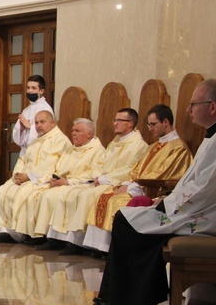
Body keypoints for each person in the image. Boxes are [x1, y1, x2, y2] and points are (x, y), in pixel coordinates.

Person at [95, 79, 216, 305]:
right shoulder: (215, 135)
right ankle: (124, 297)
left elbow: (206, 187)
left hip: (209, 214)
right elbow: (194, 181)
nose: (188, 110)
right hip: (197, 208)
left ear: (213, 107)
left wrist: (167, 202)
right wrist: (166, 199)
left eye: (193, 104)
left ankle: (129, 301)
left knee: (126, 222)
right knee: (127, 218)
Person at [82, 104, 192, 254]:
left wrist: (132, 186)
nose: (149, 128)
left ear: (166, 122)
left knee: (116, 201)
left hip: (156, 192)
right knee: (105, 196)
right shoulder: (154, 146)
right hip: (139, 187)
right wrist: (127, 183)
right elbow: (136, 170)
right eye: (148, 125)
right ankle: (99, 247)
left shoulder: (178, 148)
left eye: (153, 124)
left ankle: (113, 249)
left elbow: (160, 176)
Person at [42, 108, 149, 254]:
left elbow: (131, 169)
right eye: (115, 120)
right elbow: (101, 163)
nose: (115, 123)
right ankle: (65, 239)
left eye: (119, 120)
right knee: (73, 194)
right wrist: (97, 176)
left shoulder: (140, 146)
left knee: (84, 196)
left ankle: (83, 243)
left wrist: (104, 178)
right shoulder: (114, 143)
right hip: (101, 182)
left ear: (130, 123)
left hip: (116, 184)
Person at [11, 118, 105, 244]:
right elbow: (58, 168)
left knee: (55, 196)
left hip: (82, 185)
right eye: (73, 130)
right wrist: (55, 179)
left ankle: (68, 240)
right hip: (64, 184)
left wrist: (68, 182)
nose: (73, 133)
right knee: (42, 194)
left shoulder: (98, 150)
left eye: (77, 131)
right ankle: (42, 235)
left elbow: (93, 174)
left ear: (89, 134)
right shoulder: (71, 149)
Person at [0, 110, 72, 243]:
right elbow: (22, 159)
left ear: (52, 122)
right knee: (2, 192)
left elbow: (51, 165)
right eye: (36, 123)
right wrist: (18, 175)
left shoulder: (60, 140)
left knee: (25, 195)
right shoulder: (36, 141)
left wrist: (29, 177)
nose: (38, 126)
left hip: (42, 180)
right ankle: (4, 229)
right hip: (26, 178)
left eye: (42, 122)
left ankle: (22, 232)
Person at [13, 75, 54, 156]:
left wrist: (30, 127)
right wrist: (21, 129)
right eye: (28, 88)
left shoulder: (45, 109)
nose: (30, 91)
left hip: (39, 153)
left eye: (33, 88)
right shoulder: (26, 110)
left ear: (41, 91)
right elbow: (18, 138)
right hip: (25, 153)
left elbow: (48, 132)